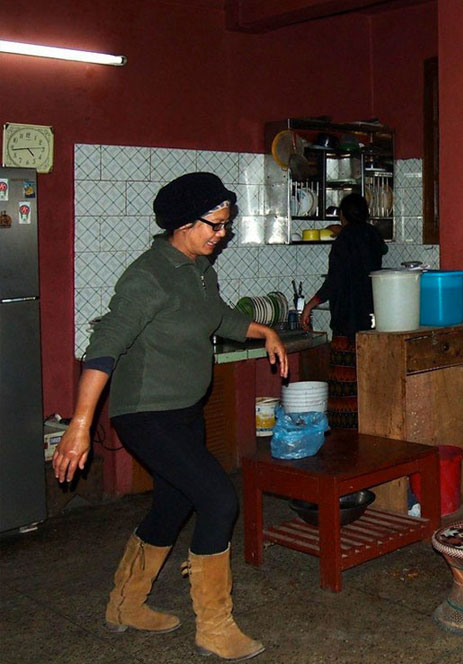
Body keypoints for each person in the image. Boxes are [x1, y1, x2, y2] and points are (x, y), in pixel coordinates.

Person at [52, 172, 288, 661]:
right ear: (182, 222)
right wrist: (78, 426)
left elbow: (217, 317)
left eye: (225, 225)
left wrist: (265, 331)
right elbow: (103, 349)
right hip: (146, 414)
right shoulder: (147, 276)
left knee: (173, 505)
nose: (221, 235)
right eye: (214, 225)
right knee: (219, 499)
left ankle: (125, 604)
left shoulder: (199, 268)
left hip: (183, 411)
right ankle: (215, 626)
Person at [300, 193, 387, 337]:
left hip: (348, 319)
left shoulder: (344, 241)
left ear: (342, 215)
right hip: (373, 314)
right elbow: (383, 249)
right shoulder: (373, 234)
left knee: (347, 357)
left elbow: (334, 280)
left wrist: (310, 305)